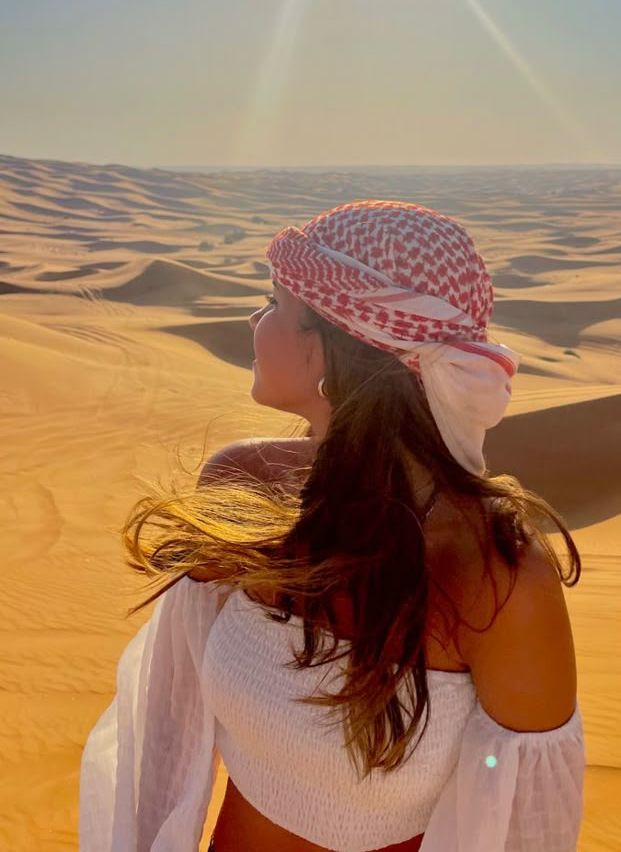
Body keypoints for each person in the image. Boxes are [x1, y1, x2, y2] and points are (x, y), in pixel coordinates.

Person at [79, 198, 586, 852]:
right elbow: (165, 721)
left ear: (334, 348)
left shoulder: (496, 576)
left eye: (275, 305)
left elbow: (523, 824)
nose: (254, 320)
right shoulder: (243, 483)